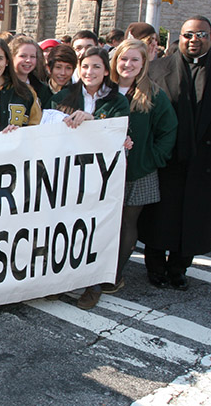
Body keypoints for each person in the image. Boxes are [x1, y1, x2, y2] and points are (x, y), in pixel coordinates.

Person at [139, 16, 211, 290]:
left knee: (194, 217)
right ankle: (155, 266)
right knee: (159, 216)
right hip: (166, 160)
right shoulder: (156, 69)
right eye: (189, 35)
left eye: (201, 35)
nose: (194, 40)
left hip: (205, 161)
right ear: (181, 37)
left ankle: (179, 268)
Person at [74, 39, 178, 309]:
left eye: (135, 60)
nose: (128, 65)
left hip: (138, 171)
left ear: (144, 64)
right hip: (100, 172)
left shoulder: (153, 94)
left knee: (126, 224)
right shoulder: (101, 90)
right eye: (123, 59)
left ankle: (113, 274)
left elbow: (168, 132)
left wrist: (150, 159)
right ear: (113, 62)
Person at [50, 46, 131, 307]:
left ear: (106, 70)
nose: (90, 71)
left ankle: (93, 284)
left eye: (96, 66)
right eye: (85, 66)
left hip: (101, 176)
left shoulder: (117, 100)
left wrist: (93, 120)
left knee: (97, 227)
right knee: (66, 226)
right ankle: (60, 280)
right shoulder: (64, 95)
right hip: (69, 173)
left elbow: (119, 131)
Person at [10, 36, 53, 109]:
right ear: (12, 57)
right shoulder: (1, 87)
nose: (28, 60)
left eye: (32, 56)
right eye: (23, 56)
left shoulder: (42, 90)